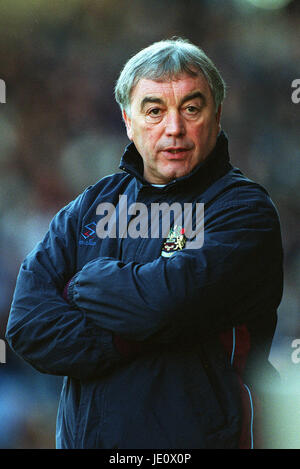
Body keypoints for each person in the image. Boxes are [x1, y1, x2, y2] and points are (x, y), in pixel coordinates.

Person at [6, 37, 283, 449]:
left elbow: (168, 302)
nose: (174, 128)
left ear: (217, 114)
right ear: (127, 120)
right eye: (154, 110)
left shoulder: (244, 209)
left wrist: (81, 286)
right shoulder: (89, 207)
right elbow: (27, 325)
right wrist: (133, 329)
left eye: (191, 108)